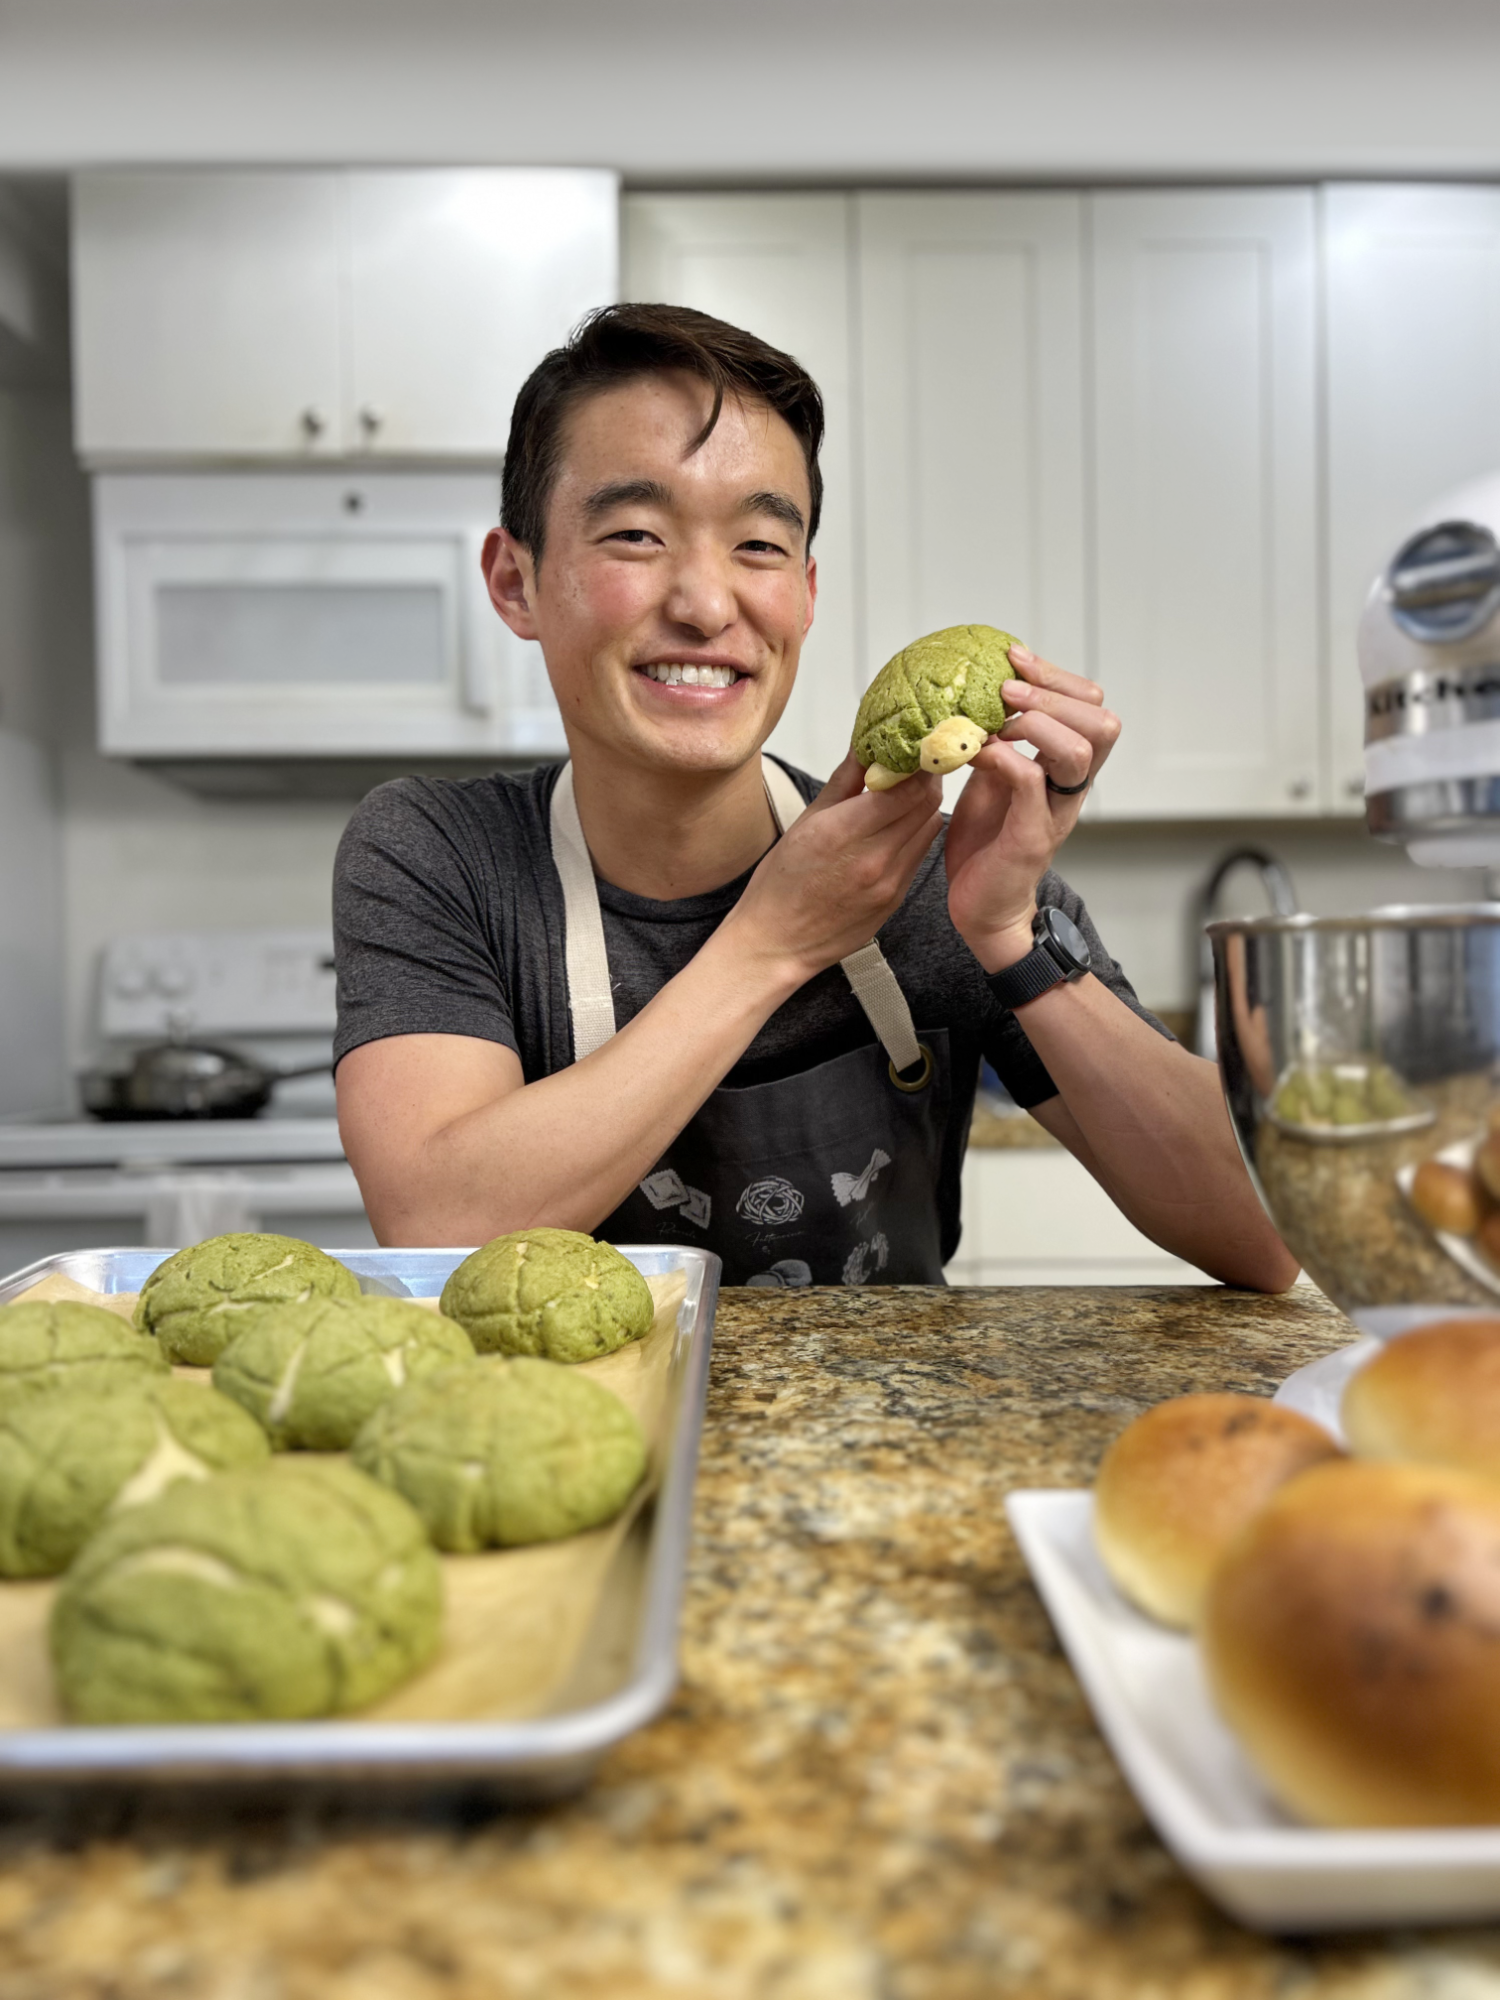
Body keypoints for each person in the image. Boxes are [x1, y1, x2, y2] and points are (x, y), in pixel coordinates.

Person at [334, 304, 1296, 1292]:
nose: (709, 605)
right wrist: (773, 942)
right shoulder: (439, 852)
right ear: (516, 580)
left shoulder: (930, 867)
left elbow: (1264, 1234)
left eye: (758, 546)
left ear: (806, 590)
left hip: (894, 1445)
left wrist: (1007, 930)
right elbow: (439, 1226)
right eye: (635, 532)